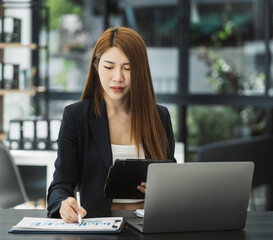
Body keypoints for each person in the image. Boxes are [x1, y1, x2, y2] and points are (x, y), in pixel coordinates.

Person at [47, 27, 176, 223]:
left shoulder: (160, 117)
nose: (118, 77)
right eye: (109, 67)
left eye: (128, 68)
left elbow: (172, 180)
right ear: (96, 66)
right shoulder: (76, 116)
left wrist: (164, 190)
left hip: (149, 225)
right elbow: (60, 186)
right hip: (97, 226)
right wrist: (64, 204)